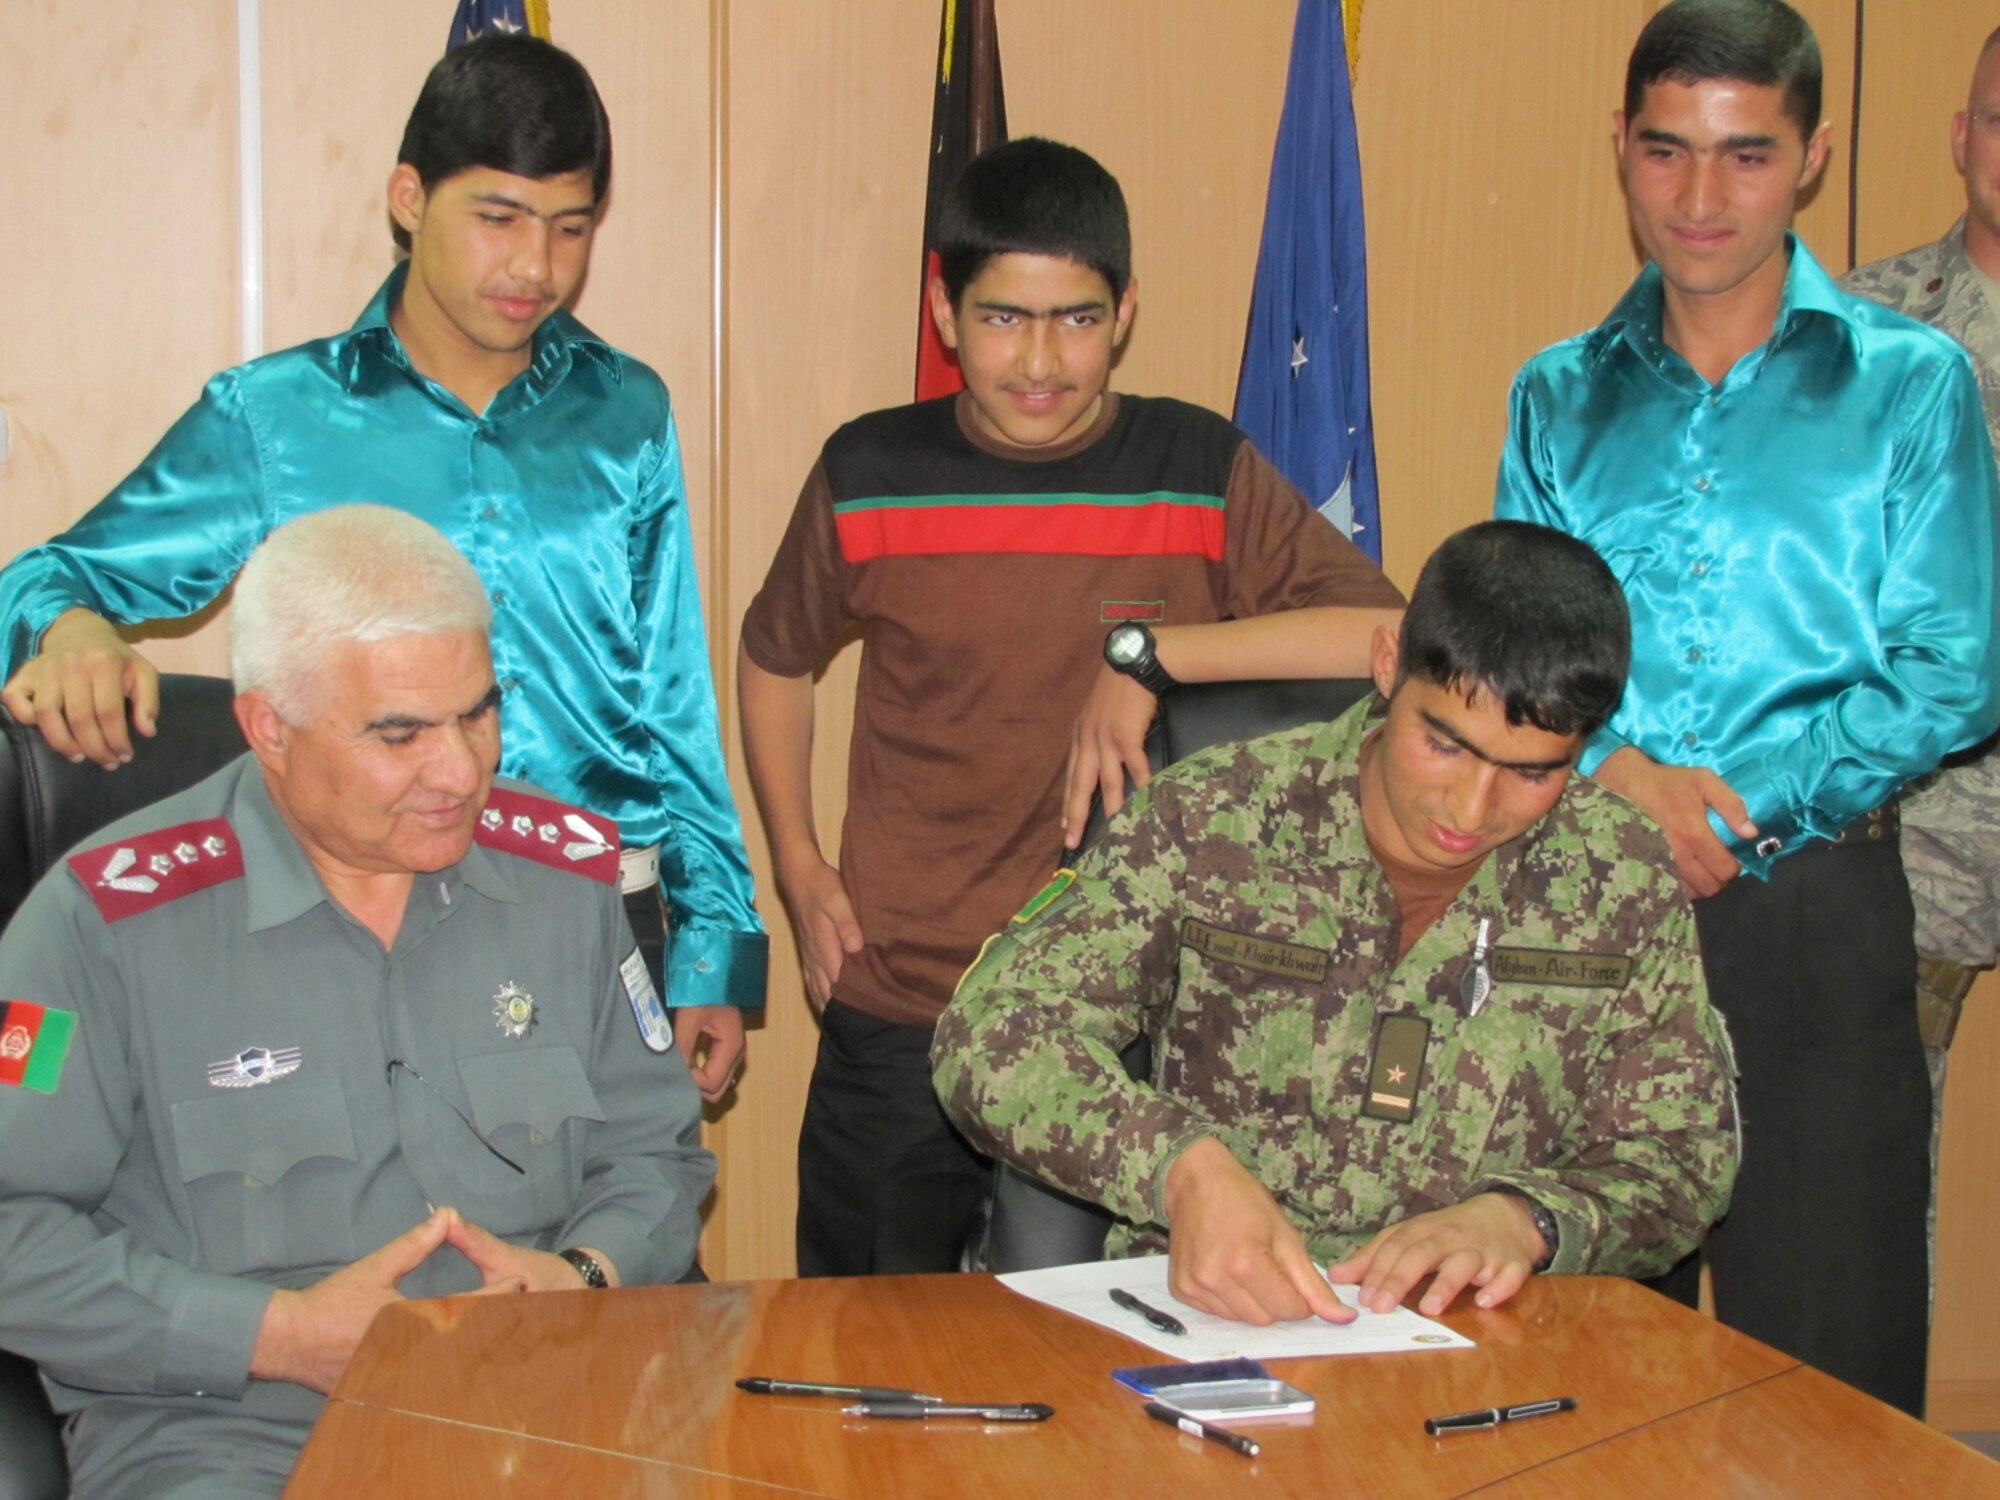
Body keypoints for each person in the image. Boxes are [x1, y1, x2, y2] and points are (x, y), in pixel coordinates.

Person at [0, 33, 762, 1099]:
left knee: (623, 1228)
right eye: (497, 218)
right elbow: (47, 577)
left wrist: (711, 949)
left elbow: (672, 698)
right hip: (365, 907)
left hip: (600, 906)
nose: (536, 268)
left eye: (570, 228)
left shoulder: (627, 410)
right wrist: (70, 626)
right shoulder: (276, 417)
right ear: (410, 197)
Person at [738, 136, 1405, 1278]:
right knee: (860, 1365)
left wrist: (1147, 657)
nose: (1040, 361)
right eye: (1003, 318)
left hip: (1123, 1032)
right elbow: (773, 660)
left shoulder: (1193, 465)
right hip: (905, 1004)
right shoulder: (867, 471)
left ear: (1126, 310)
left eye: (1077, 319)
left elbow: (1383, 638)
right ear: (943, 310)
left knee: (1087, 1392)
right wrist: (798, 869)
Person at [1493, 0, 1999, 1416]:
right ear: (1621, 150)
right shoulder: (1558, 395)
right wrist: (1623, 777)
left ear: (1814, 158)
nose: (1701, 199)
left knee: (1825, 1361)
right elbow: (1517, 658)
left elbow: (1958, 664)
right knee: (1570, 1361)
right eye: (1666, 153)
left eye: (1746, 157)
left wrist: (1742, 798)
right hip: (1588, 912)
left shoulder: (1910, 384)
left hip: (1819, 911)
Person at [0, 507, 715, 1499]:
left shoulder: (566, 882)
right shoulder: (99, 923)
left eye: (476, 712)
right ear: (269, 728)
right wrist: (274, 1335)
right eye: (399, 733)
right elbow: (11, 1230)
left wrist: (582, 1275)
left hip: (550, 1412)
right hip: (233, 1438)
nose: (460, 772)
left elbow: (657, 1155)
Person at [933, 520, 1737, 1326]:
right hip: (1209, 1324)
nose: (1471, 808)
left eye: (1531, 772)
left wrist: (1524, 1220)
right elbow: (991, 1032)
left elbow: (1682, 1157)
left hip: (1479, 1341)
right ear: (1387, 668)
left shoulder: (1621, 874)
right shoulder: (1218, 818)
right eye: (1446, 746)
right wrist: (1179, 1169)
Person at [1841, 27, 2000, 1298]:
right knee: (1876, 1157)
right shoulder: (1864, 329)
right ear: (1958, 135)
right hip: (1919, 808)